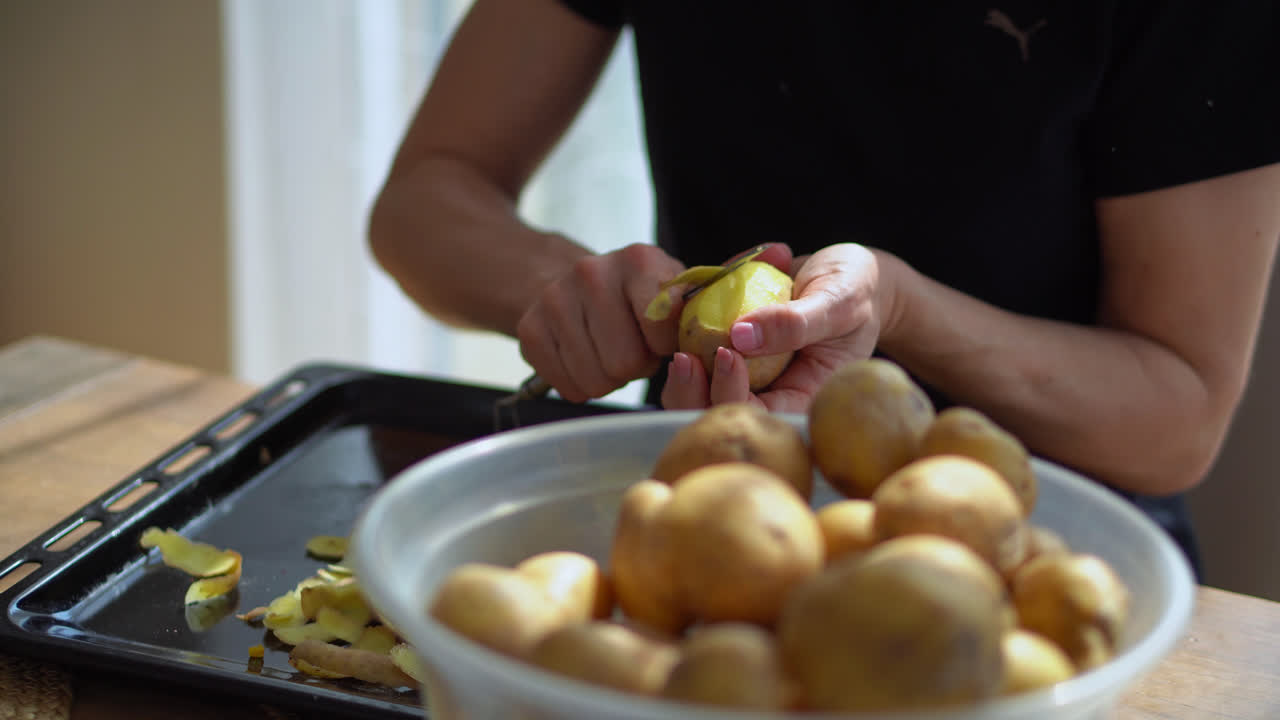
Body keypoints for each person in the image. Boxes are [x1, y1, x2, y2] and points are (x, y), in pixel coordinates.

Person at [368, 0, 1280, 576]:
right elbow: (426, 197)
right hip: (711, 513)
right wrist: (565, 293)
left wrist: (903, 310)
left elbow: (1180, 412)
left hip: (1039, 561)